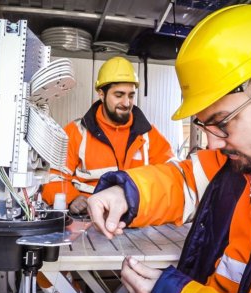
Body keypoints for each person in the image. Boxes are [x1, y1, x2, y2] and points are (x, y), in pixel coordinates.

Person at [87, 4, 251, 293]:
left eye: (223, 121)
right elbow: (185, 180)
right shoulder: (246, 165)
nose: (214, 144)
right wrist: (128, 193)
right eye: (205, 125)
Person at [41, 56, 174, 214]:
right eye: (118, 95)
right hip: (88, 218)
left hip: (135, 219)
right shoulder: (75, 132)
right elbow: (52, 178)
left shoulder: (149, 135)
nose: (126, 103)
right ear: (101, 94)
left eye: (131, 95)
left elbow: (171, 177)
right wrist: (72, 199)